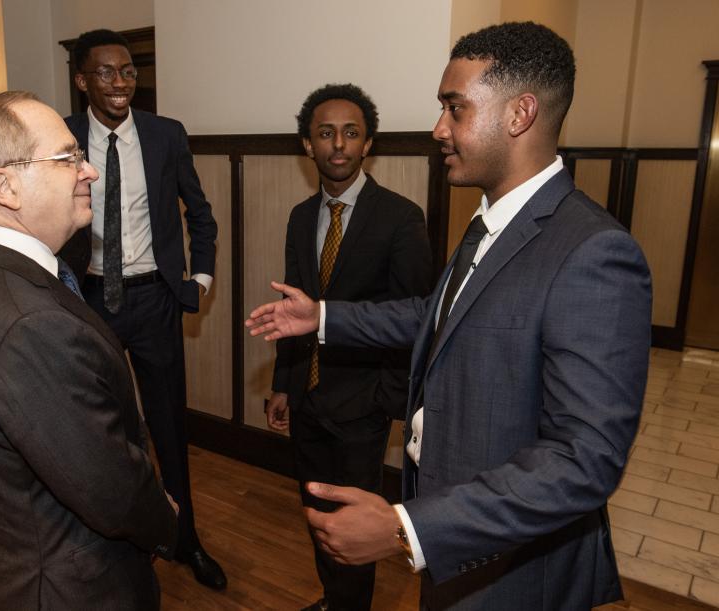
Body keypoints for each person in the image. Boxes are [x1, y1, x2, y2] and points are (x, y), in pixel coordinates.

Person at [246, 22, 652, 611]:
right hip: (459, 538)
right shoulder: (489, 221)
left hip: (511, 567)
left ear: (519, 113)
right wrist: (324, 317)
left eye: (454, 109)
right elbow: (433, 315)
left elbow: (583, 459)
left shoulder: (593, 252)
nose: (439, 129)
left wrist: (406, 529)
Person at [0, 90, 178, 610]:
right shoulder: (30, 325)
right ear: (5, 186)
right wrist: (163, 519)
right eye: (68, 158)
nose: (88, 171)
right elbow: (107, 487)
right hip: (64, 587)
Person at [58, 28, 225, 590]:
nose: (120, 81)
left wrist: (197, 280)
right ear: (82, 81)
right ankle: (126, 539)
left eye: (128, 70)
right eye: (105, 72)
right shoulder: (61, 138)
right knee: (102, 428)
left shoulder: (164, 135)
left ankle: (187, 539)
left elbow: (200, 215)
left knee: (167, 426)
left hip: (154, 300)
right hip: (87, 301)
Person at [266, 84, 431, 611]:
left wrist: (387, 399)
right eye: (325, 133)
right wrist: (282, 386)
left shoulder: (401, 218)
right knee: (315, 511)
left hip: (363, 406)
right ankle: (333, 599)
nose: (338, 144)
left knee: (353, 524)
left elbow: (414, 320)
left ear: (368, 145)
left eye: (351, 133)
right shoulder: (298, 217)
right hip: (308, 399)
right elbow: (294, 313)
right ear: (306, 145)